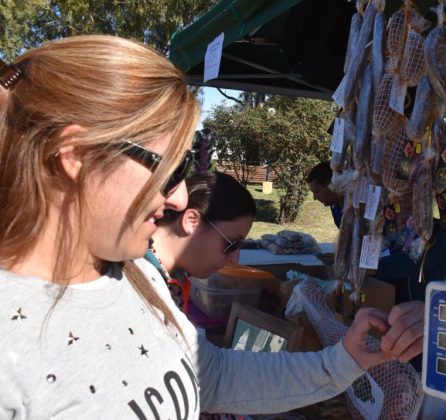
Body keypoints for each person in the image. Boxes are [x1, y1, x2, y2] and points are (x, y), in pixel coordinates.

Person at [0, 35, 424, 418]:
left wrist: (343, 362)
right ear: (73, 156)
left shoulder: (137, 275)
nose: (180, 197)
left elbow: (212, 377)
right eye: (164, 169)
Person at [307, 161, 446, 304]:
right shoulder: (400, 224)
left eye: (404, 198)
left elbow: (408, 263)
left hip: (418, 307)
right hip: (393, 301)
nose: (396, 203)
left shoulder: (438, 232)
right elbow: (386, 249)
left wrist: (370, 268)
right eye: (393, 198)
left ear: (421, 199)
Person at [146, 171, 255, 313]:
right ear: (192, 222)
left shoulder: (173, 278)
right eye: (231, 245)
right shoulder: (137, 282)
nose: (234, 259)